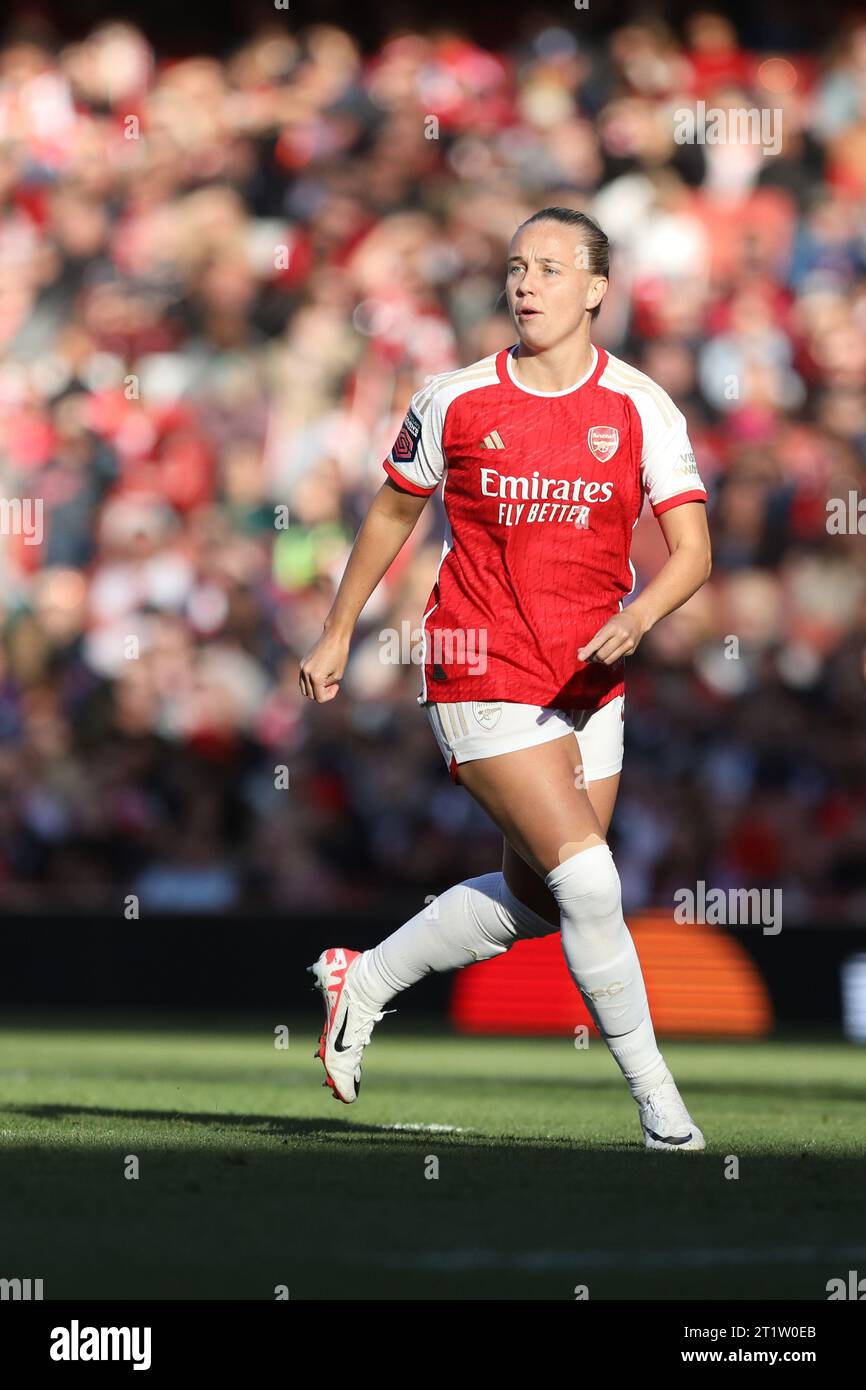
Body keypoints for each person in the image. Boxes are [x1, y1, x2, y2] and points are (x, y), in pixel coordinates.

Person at [299, 207, 712, 1151]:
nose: (527, 284)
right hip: (475, 664)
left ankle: (362, 980)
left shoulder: (642, 405)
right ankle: (665, 1115)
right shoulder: (455, 398)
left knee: (539, 898)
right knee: (595, 884)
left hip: (589, 675)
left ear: (598, 289)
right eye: (518, 267)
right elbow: (391, 516)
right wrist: (337, 630)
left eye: (551, 268)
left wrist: (641, 618)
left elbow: (693, 551)